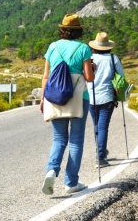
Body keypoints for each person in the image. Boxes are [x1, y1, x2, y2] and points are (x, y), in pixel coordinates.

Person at [39, 14, 95, 195]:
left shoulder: (52, 47)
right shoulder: (84, 48)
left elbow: (46, 76)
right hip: (79, 98)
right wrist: (92, 67)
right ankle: (71, 182)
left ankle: (51, 170)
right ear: (78, 31)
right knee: (76, 141)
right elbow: (89, 78)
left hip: (54, 97)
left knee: (59, 139)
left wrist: (42, 99)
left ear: (62, 29)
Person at [87, 32, 125, 168]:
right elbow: (121, 76)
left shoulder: (90, 58)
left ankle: (101, 151)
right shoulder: (113, 58)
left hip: (91, 97)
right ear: (108, 46)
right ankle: (101, 157)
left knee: (96, 125)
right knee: (103, 126)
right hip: (107, 97)